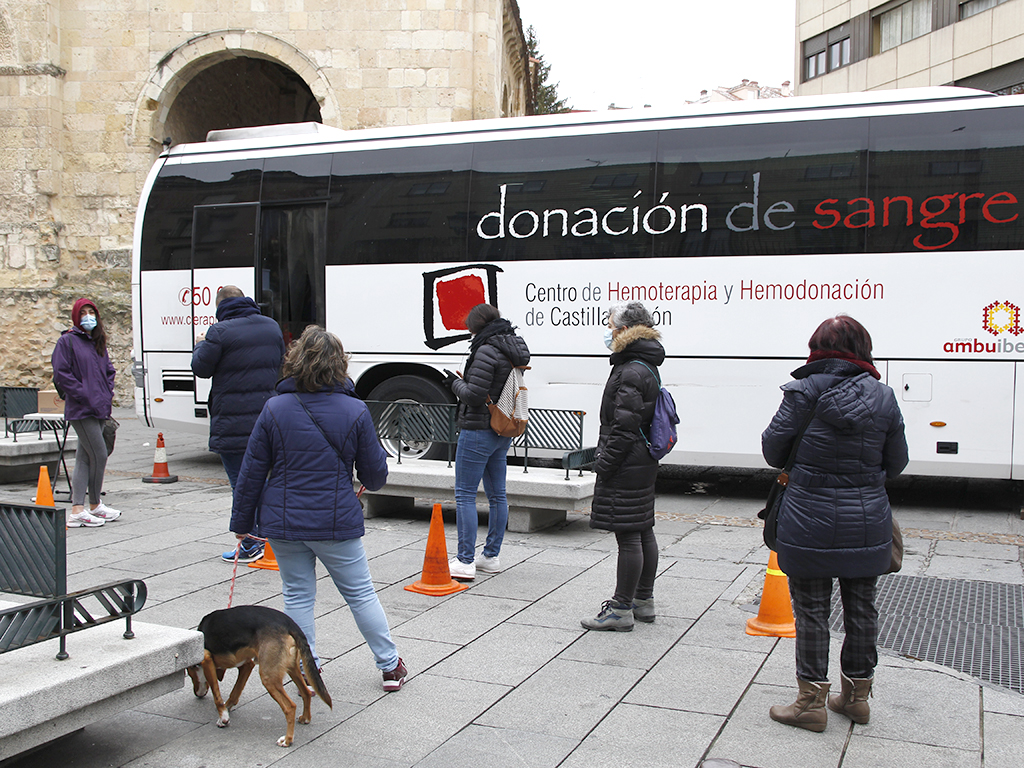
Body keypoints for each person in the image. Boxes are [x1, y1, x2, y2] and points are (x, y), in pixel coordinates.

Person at [229, 325, 407, 691]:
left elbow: (251, 471)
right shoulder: (355, 410)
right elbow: (375, 477)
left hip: (283, 522)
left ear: (295, 361)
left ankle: (308, 670)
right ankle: (390, 666)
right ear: (340, 364)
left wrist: (241, 523)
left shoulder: (274, 408)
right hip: (336, 521)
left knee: (297, 595)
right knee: (360, 594)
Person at [761, 315, 908, 731]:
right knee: (862, 608)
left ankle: (810, 704)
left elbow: (773, 451)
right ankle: (857, 698)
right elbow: (897, 462)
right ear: (863, 349)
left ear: (816, 350)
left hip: (807, 517)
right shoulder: (884, 397)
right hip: (867, 518)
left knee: (811, 611)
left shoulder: (802, 392)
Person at [580, 302, 665, 631]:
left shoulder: (630, 369)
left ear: (625, 330)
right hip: (642, 459)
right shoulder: (645, 363)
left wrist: (604, 463)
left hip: (627, 461)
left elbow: (624, 426)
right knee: (642, 528)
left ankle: (621, 609)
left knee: (629, 535)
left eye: (610, 325)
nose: (607, 331)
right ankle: (644, 601)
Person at [191, 285, 285, 563]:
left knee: (242, 485)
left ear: (220, 306)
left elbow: (201, 368)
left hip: (233, 420)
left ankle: (251, 544)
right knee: (265, 480)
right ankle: (270, 538)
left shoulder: (219, 332)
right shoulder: (271, 326)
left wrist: (200, 343)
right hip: (267, 416)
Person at [443, 304, 530, 581]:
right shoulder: (511, 347)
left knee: (465, 494)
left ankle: (465, 561)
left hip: (478, 429)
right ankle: (490, 556)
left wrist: (454, 383)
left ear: (476, 325)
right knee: (497, 495)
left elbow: (474, 395)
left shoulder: (486, 350)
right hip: (500, 429)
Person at [51, 298, 120, 528]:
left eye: (91, 312)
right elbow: (61, 374)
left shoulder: (96, 342)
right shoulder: (67, 341)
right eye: (83, 313)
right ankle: (93, 503)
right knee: (99, 454)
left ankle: (80, 508)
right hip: (82, 408)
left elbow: (108, 370)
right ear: (76, 316)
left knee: (84, 457)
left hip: (99, 406)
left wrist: (106, 392)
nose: (88, 316)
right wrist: (84, 394)